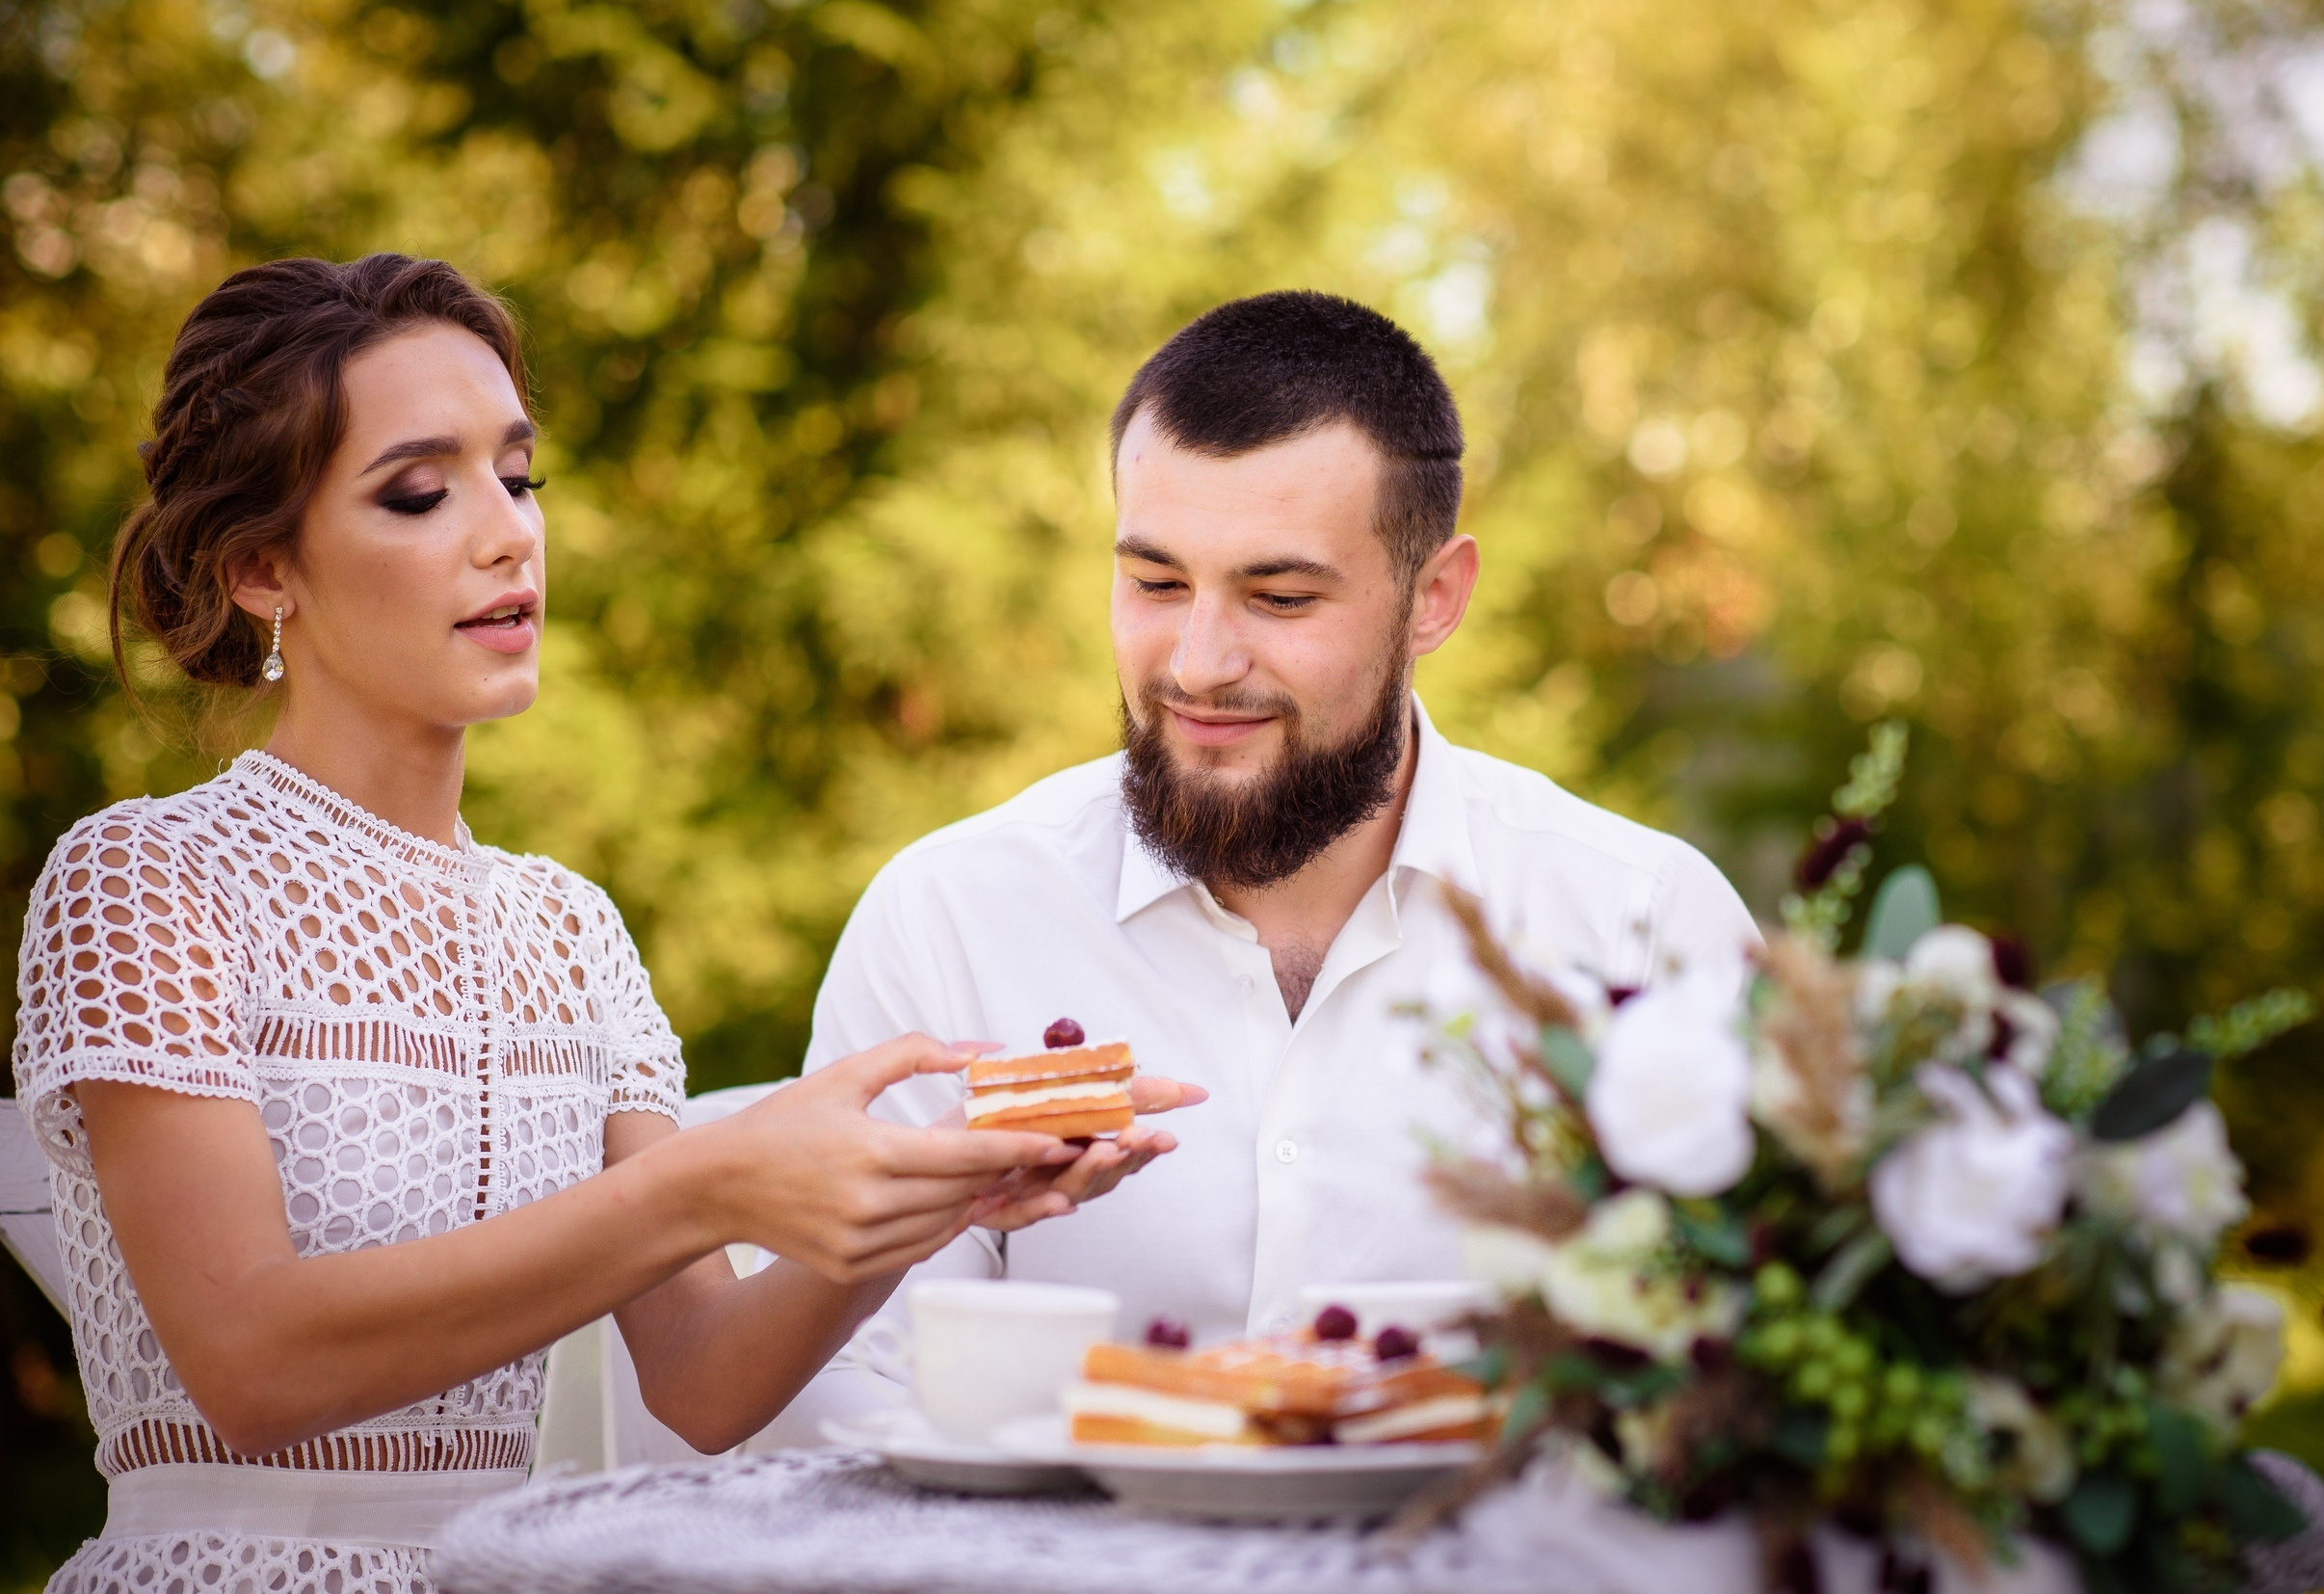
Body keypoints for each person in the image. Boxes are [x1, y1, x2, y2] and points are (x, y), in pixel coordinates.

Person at [11, 253, 1190, 1594]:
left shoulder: (566, 929)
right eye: (418, 490)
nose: (508, 531)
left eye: (518, 477)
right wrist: (708, 1178)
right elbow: (251, 1364)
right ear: (262, 569)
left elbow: (702, 1375)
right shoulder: (145, 879)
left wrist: (932, 1196)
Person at [796, 290, 1757, 1417]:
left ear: (1432, 599)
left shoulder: (1642, 925)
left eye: (1280, 595)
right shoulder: (948, 915)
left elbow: (1737, 1388)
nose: (1199, 661)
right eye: (1155, 582)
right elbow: (857, 1394)